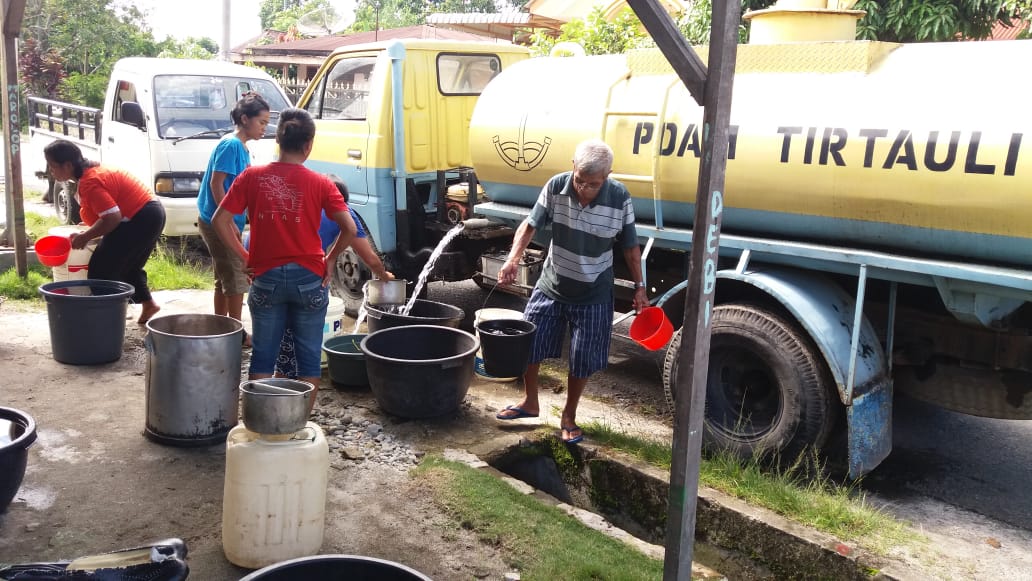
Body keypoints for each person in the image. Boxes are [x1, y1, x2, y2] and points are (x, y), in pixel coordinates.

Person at [495, 139, 648, 444]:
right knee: (530, 343)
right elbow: (530, 225)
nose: (584, 190)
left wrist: (640, 287)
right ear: (572, 167)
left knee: (582, 357)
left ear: (607, 176)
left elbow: (631, 247)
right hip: (552, 284)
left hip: (594, 290)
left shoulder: (619, 198)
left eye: (593, 184)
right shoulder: (556, 187)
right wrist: (512, 259)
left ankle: (569, 416)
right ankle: (530, 402)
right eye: (580, 180)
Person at [212, 107, 357, 408]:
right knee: (308, 360)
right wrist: (330, 259)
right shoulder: (321, 183)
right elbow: (350, 228)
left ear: (277, 139)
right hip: (310, 277)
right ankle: (297, 425)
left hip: (266, 278)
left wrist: (244, 256)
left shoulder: (252, 177)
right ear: (308, 145)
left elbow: (219, 220)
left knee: (263, 354)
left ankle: (264, 424)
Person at [274, 175, 394, 380]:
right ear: (343, 199)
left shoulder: (299, 202)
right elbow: (370, 258)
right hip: (305, 275)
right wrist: (384, 275)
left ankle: (277, 379)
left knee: (281, 329)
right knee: (307, 335)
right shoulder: (345, 212)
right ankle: (300, 389)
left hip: (270, 271)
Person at [43, 139, 166, 324]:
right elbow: (106, 215)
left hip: (141, 218)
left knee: (100, 271)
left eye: (53, 167)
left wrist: (85, 237)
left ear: (67, 165)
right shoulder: (90, 173)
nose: (51, 171)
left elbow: (112, 218)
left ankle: (109, 319)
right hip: (152, 213)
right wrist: (90, 230)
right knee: (128, 266)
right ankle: (148, 305)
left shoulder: (90, 182)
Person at [197, 92, 270, 346]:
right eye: (261, 122)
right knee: (237, 278)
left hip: (222, 219)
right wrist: (227, 222)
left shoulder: (241, 147)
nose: (264, 128)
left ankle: (221, 327)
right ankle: (236, 333)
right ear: (244, 119)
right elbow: (218, 185)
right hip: (216, 220)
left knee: (224, 276)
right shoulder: (231, 145)